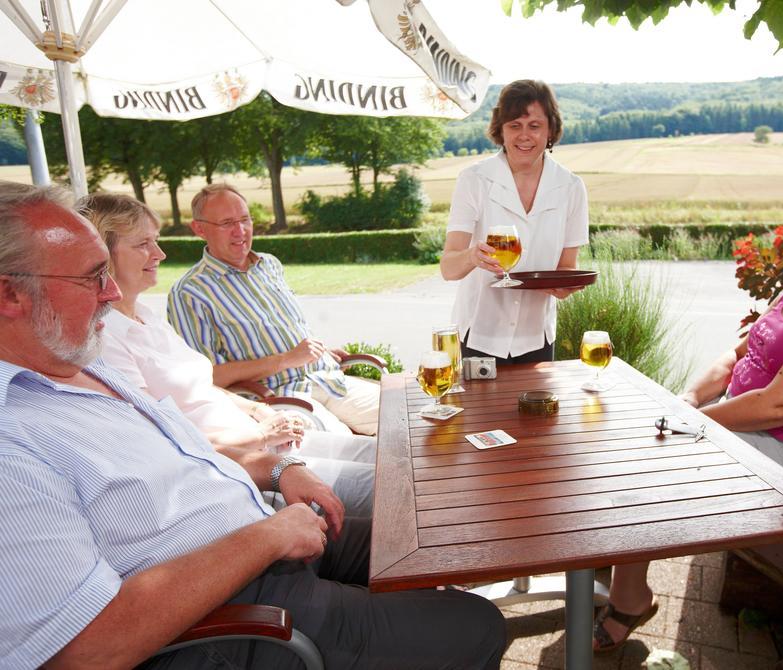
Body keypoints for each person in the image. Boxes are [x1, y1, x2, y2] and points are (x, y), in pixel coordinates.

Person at [0, 181, 506, 669]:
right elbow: (85, 653)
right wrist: (266, 537)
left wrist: (280, 467)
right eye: (92, 276)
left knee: (426, 545)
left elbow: (185, 452)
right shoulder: (13, 440)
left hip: (261, 538)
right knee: (477, 624)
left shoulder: (79, 365)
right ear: (9, 296)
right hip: (227, 611)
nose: (110, 292)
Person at [593, 180, 783, 653]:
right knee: (621, 442)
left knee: (646, 464)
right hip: (748, 430)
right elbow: (736, 357)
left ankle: (628, 594)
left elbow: (782, 404)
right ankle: (617, 560)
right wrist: (687, 398)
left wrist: (692, 423)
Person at [79, 192, 375, 472]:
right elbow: (159, 437)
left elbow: (203, 386)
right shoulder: (107, 338)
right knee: (387, 480)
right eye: (143, 244)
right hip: (243, 461)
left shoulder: (149, 319)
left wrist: (260, 413)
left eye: (245, 220)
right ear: (101, 254)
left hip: (270, 425)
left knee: (388, 453)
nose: (160, 253)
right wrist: (260, 433)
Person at [167, 183, 379, 435]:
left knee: (407, 415)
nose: (240, 230)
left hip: (327, 379)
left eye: (245, 219)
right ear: (199, 229)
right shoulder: (189, 292)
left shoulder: (269, 265)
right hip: (278, 398)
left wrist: (317, 352)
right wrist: (286, 359)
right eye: (227, 223)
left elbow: (277, 331)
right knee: (354, 450)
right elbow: (206, 378)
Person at [440, 79, 589, 364]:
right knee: (482, 411)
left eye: (534, 126)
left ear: (550, 131)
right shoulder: (474, 180)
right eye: (514, 125)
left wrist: (563, 288)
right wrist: (473, 256)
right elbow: (449, 268)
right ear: (501, 130)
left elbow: (566, 268)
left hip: (537, 339)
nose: (524, 136)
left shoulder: (571, 187)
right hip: (478, 336)